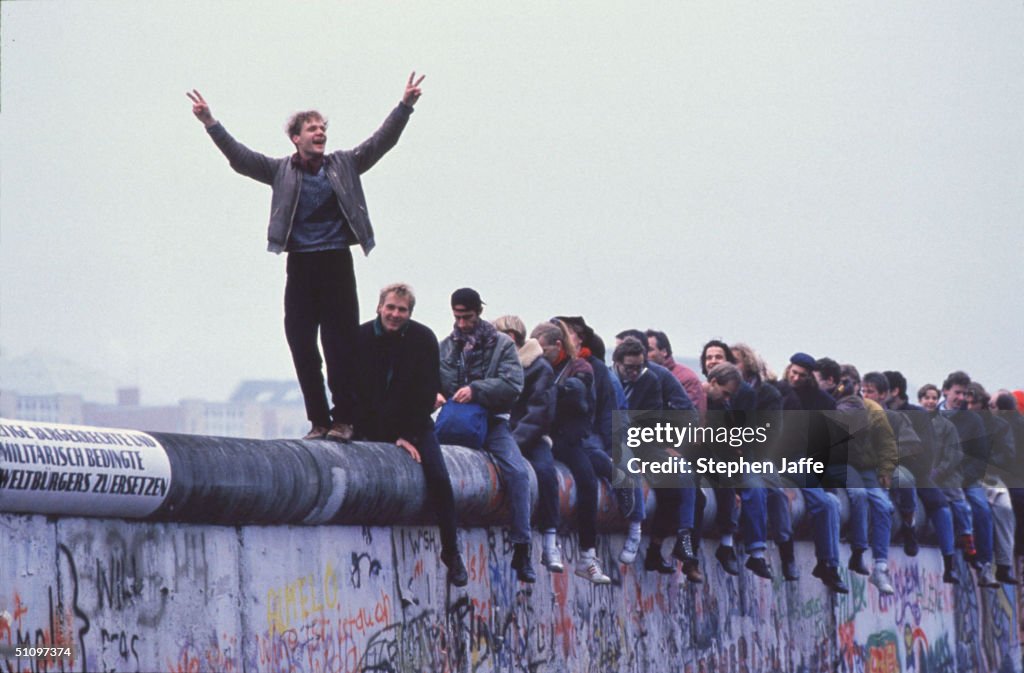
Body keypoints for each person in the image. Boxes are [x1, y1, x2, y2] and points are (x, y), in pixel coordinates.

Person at [187, 73, 425, 441]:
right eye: (311, 129)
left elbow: (381, 143)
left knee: (339, 346)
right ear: (295, 138)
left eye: (322, 129)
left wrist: (405, 106)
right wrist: (210, 123)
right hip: (300, 264)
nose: (319, 133)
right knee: (301, 344)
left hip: (335, 262)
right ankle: (318, 421)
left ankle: (344, 419)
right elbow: (240, 159)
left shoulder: (343, 164)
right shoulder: (280, 170)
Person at [351, 283, 468, 586]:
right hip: (370, 423)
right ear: (379, 307)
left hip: (414, 423)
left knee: (440, 479)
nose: (394, 314)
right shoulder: (361, 337)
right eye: (390, 307)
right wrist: (389, 436)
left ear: (409, 313)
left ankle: (451, 552)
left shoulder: (422, 338)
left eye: (402, 310)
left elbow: (425, 392)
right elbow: (357, 392)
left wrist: (407, 434)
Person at [438, 288, 535, 582]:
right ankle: (451, 550)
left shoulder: (502, 345)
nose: (462, 324)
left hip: (492, 422)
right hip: (456, 421)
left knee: (517, 473)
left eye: (467, 317)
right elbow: (436, 380)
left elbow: (513, 385)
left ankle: (522, 547)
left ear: (478, 312)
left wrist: (477, 390)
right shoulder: (446, 347)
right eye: (457, 317)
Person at [532, 321, 613, 584]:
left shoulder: (579, 367)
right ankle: (550, 543)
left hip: (568, 439)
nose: (540, 355)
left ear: (558, 346)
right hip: (539, 435)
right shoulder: (536, 365)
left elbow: (580, 395)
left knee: (587, 481)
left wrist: (556, 391)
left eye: (543, 350)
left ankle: (587, 556)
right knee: (546, 476)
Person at [494, 315, 562, 575]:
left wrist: (515, 443)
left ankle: (549, 540)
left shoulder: (538, 367)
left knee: (545, 473)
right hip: (499, 432)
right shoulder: (495, 364)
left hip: (529, 438)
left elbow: (539, 413)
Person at [941, 371, 999, 587]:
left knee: (981, 508)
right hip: (940, 476)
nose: (961, 398)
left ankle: (984, 564)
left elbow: (980, 457)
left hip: (966, 477)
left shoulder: (973, 420)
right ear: (946, 390)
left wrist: (964, 477)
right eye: (957, 393)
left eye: (964, 394)